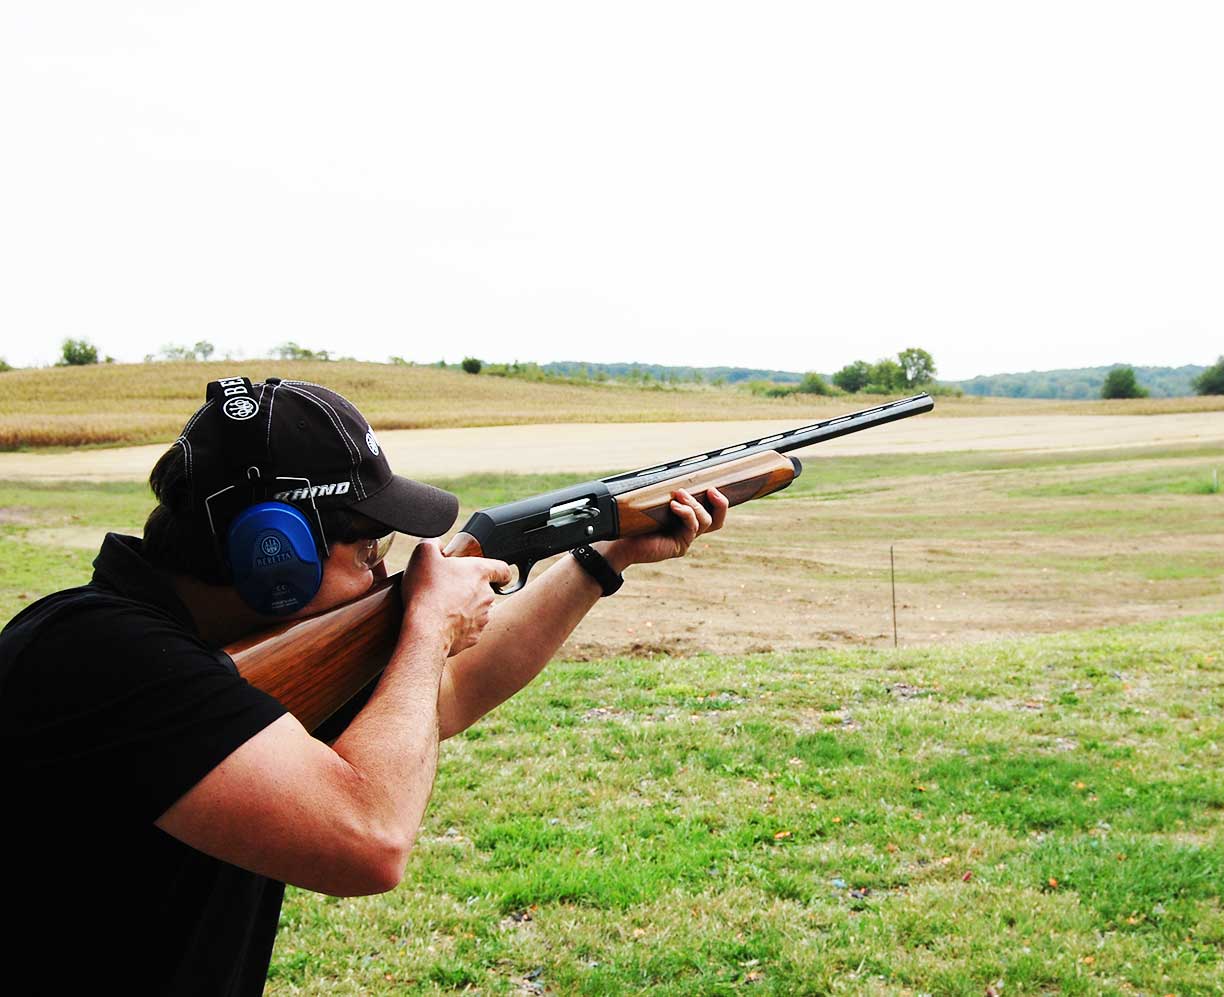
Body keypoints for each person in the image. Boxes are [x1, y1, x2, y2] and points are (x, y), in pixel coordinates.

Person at [0, 376, 727, 995]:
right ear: (272, 553)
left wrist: (603, 560)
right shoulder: (100, 655)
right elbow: (370, 839)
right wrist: (426, 628)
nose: (383, 573)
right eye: (368, 548)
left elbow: (446, 695)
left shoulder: (196, 653)